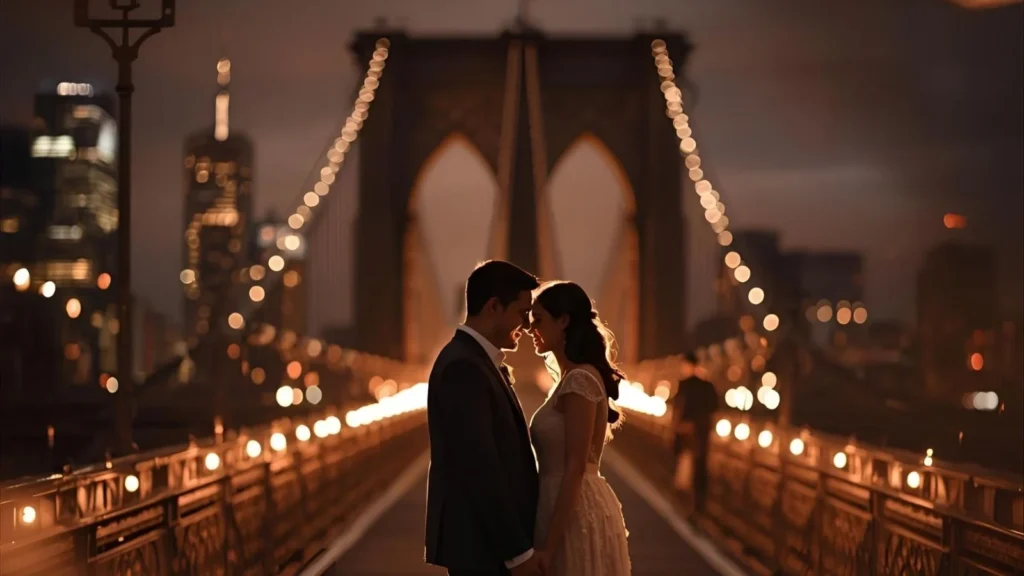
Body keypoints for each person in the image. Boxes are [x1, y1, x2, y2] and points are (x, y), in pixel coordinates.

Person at [424, 260, 543, 576]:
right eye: (521, 312)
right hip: (483, 549)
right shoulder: (464, 368)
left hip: (486, 546)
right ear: (494, 307)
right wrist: (518, 554)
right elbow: (481, 468)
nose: (528, 324)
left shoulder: (474, 361)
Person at [527, 281, 631, 576]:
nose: (531, 329)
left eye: (539, 320)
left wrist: (549, 546)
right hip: (564, 506)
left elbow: (575, 466)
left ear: (564, 320)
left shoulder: (579, 381)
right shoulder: (570, 380)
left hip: (572, 514)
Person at [671, 352, 719, 515]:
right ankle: (698, 507)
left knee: (685, 470)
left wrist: (680, 427)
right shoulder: (707, 386)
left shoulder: (685, 385)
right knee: (698, 471)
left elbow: (678, 409)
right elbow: (714, 407)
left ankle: (686, 507)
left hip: (688, 435)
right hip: (701, 435)